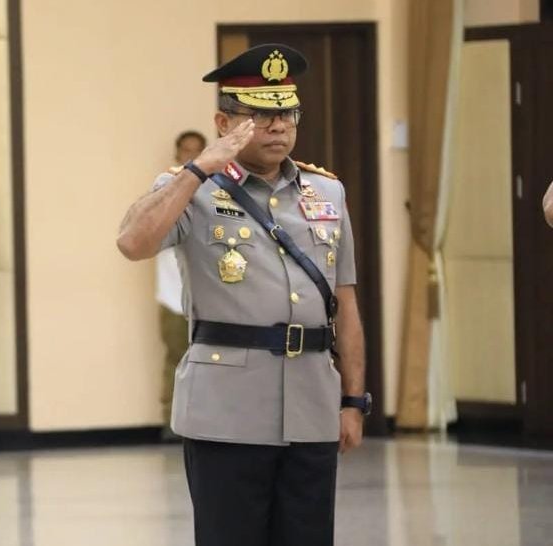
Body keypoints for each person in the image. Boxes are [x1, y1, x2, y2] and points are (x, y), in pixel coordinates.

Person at [116, 43, 371, 546]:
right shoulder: (192, 187)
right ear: (224, 121)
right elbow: (132, 243)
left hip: (312, 405)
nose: (278, 126)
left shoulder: (326, 192)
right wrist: (196, 170)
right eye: (260, 115)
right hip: (226, 410)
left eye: (287, 113)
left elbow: (346, 304)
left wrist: (352, 401)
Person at [158, 130, 206, 442]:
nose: (191, 155)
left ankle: (203, 423)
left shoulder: (217, 190)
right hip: (172, 296)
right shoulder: (165, 188)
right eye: (186, 150)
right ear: (177, 154)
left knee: (209, 361)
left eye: (197, 150)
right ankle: (171, 423)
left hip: (208, 298)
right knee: (175, 358)